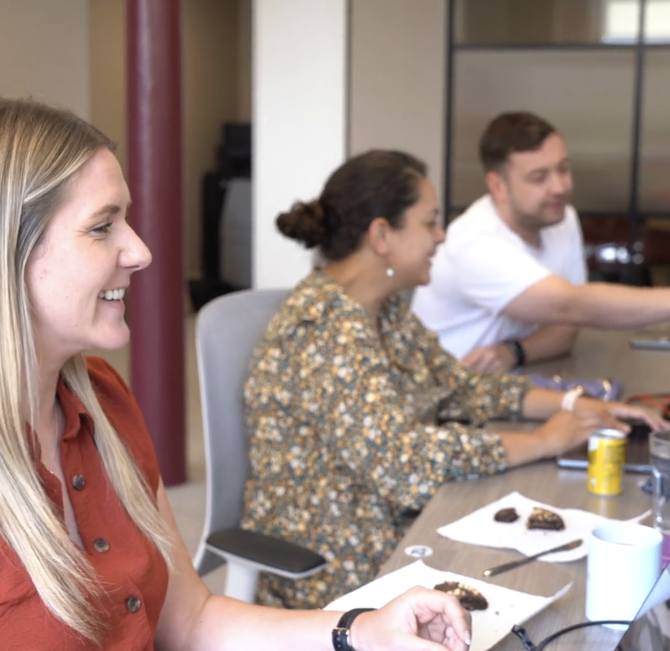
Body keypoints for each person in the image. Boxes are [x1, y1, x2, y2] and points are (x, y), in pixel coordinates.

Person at [0, 97, 474, 651]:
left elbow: (191, 622)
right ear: (1, 252)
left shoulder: (101, 400)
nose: (141, 251)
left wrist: (358, 629)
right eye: (103, 226)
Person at [241, 149, 668, 611]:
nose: (441, 235)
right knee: (559, 582)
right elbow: (402, 466)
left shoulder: (382, 309)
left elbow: (461, 388)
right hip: (343, 561)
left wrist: (573, 406)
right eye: (429, 222)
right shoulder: (326, 328)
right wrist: (542, 441)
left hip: (399, 521)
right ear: (381, 236)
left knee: (566, 559)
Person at [411, 111, 670, 374]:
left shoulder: (560, 218)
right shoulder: (474, 243)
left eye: (563, 169)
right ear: (498, 186)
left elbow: (568, 326)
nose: (559, 187)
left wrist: (515, 351)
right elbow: (571, 306)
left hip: (503, 383)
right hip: (439, 389)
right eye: (539, 177)